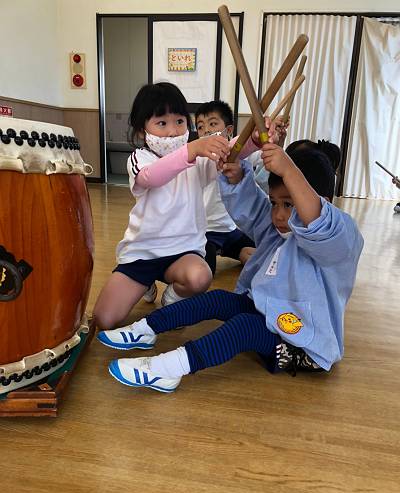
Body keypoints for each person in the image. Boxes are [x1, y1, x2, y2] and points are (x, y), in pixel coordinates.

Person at [97, 141, 364, 393]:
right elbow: (254, 208)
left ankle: (167, 369)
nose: (279, 214)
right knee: (219, 299)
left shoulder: (341, 236)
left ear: (324, 201)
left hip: (304, 346)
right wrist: (237, 179)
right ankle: (146, 329)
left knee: (245, 327)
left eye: (289, 204)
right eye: (275, 203)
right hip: (269, 314)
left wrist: (290, 170)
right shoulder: (278, 228)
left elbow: (320, 221)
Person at [93, 82, 261, 329]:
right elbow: (151, 177)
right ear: (142, 130)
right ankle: (146, 283)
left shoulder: (198, 160)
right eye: (162, 123)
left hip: (183, 253)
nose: (173, 131)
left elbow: (231, 149)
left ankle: (171, 299)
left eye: (180, 121)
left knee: (200, 276)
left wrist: (254, 139)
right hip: (142, 254)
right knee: (104, 319)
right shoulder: (140, 158)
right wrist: (191, 150)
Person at [195, 100, 256, 275]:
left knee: (262, 253)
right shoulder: (200, 159)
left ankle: (235, 251)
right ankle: (215, 251)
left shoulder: (240, 155)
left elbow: (262, 151)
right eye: (200, 127)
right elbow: (232, 147)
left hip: (231, 230)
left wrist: (275, 137)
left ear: (228, 130)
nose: (206, 130)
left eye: (212, 124)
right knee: (205, 272)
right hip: (206, 232)